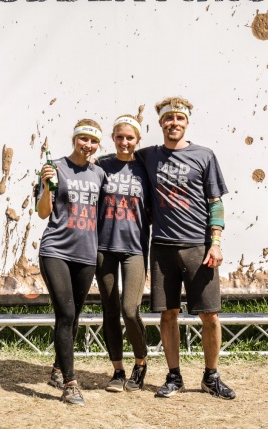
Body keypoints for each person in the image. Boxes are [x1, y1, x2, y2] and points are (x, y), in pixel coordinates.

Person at [136, 96, 236, 400]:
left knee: (210, 315)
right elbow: (117, 159)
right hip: (162, 247)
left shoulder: (204, 155)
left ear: (187, 122)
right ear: (160, 123)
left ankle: (211, 376)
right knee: (168, 315)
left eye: (179, 118)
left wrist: (215, 243)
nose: (174, 123)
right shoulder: (148, 156)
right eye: (169, 118)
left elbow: (215, 203)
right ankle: (174, 377)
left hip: (198, 248)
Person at [36, 119, 106, 406]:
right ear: (74, 139)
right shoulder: (55, 168)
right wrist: (46, 186)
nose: (87, 145)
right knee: (65, 313)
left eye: (93, 140)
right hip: (56, 250)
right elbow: (43, 213)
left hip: (86, 252)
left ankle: (57, 369)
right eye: (83, 139)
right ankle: (70, 383)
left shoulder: (99, 173)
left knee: (74, 315)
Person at [95, 115, 151, 392]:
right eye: (120, 137)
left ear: (137, 140)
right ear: (113, 138)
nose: (124, 142)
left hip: (134, 248)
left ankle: (140, 363)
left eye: (130, 138)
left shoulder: (146, 169)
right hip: (103, 248)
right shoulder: (101, 166)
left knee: (130, 310)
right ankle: (117, 371)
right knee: (110, 310)